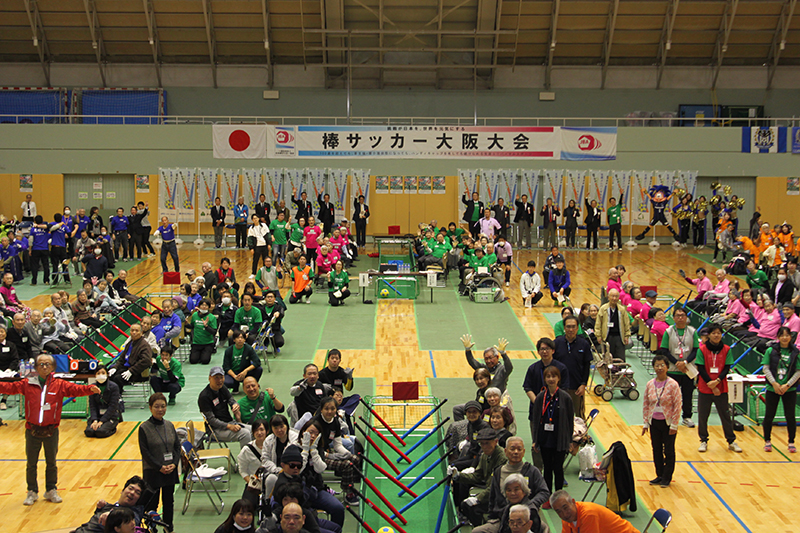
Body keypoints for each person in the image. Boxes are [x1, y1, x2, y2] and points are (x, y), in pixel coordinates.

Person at [0, 353, 100, 505]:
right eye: (41, 364)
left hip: (51, 430)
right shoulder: (27, 383)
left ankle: (51, 489)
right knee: (31, 463)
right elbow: (9, 387)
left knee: (51, 462)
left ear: (53, 367)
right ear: (36, 367)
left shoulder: (59, 384)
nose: (44, 367)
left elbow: (75, 389)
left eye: (47, 364)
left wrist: (90, 389)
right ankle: (32, 491)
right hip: (32, 430)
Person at [474, 437, 549, 533]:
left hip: (525, 517)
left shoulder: (532, 471)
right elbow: (492, 497)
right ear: (505, 451)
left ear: (524, 451)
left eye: (519, 449)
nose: (516, 452)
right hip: (501, 517)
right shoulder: (498, 471)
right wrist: (491, 517)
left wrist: (530, 505)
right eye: (512, 449)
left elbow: (544, 492)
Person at [137, 392, 180, 531]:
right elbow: (145, 453)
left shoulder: (169, 425)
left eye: (163, 406)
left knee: (168, 502)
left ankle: (169, 527)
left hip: (170, 471)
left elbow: (177, 447)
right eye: (156, 406)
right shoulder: (144, 428)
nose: (160, 409)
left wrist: (174, 463)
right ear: (150, 408)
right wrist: (159, 467)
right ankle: (151, 529)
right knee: (152, 504)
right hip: (153, 472)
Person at [696, 324, 742, 453]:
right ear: (709, 335)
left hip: (721, 387)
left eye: (718, 333)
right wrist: (710, 383)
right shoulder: (702, 350)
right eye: (713, 333)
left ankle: (731, 440)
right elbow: (701, 368)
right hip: (705, 387)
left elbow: (726, 368)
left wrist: (716, 382)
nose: (716, 335)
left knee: (725, 416)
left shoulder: (727, 349)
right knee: (703, 416)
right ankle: (703, 440)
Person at [448, 427, 508, 526]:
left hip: (500, 498)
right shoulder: (485, 455)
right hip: (491, 494)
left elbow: (496, 486)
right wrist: (458, 476)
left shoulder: (502, 459)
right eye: (481, 443)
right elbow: (477, 476)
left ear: (495, 441)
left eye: (487, 443)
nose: (484, 446)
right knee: (465, 506)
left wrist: (478, 498)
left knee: (474, 508)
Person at [530, 366, 573, 493]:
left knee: (558, 468)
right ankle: (547, 495)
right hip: (545, 439)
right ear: (545, 379)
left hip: (559, 439)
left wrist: (570, 440)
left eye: (554, 376)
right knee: (547, 468)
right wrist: (535, 440)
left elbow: (570, 420)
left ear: (558, 378)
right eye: (548, 377)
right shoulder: (540, 397)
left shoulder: (565, 398)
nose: (551, 379)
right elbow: (536, 420)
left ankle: (559, 495)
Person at [642, 354, 682, 488]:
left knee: (669, 451)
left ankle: (667, 477)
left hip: (668, 423)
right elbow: (646, 404)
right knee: (656, 449)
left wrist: (674, 425)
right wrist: (646, 422)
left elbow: (677, 405)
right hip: (654, 422)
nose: (659, 368)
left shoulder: (673, 384)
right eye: (657, 365)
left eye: (662, 365)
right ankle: (659, 474)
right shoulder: (650, 384)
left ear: (667, 367)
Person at [311, 397, 361, 504]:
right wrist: (331, 456)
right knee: (347, 464)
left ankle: (349, 484)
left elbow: (338, 445)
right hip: (316, 456)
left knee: (355, 459)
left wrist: (346, 453)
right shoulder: (315, 424)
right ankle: (348, 493)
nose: (329, 412)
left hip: (328, 452)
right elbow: (312, 448)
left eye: (332, 409)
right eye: (326, 409)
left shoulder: (335, 421)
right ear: (321, 410)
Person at [453, 335, 512, 420]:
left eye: (490, 358)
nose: (488, 361)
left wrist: (503, 353)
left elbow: (509, 367)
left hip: (495, 405)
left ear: (497, 357)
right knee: (457, 409)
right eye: (486, 359)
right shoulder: (484, 369)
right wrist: (468, 350)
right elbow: (473, 362)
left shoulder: (502, 370)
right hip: (481, 403)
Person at [658, 306, 698, 428]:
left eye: (683, 316)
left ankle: (687, 417)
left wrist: (685, 362)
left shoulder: (692, 331)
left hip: (688, 369)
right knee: (670, 395)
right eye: (678, 316)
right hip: (672, 369)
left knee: (687, 394)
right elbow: (664, 350)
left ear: (686, 318)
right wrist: (677, 363)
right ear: (674, 318)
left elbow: (696, 350)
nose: (680, 318)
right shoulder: (669, 331)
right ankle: (669, 416)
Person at [762, 327, 800, 453]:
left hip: (789, 389)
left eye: (787, 335)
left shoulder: (796, 352)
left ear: (791, 337)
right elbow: (766, 368)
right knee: (769, 416)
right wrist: (774, 383)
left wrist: (787, 385)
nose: (784, 337)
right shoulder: (770, 350)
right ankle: (767, 441)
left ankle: (791, 442)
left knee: (790, 416)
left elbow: (798, 372)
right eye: (782, 335)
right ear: (778, 337)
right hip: (773, 388)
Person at [198, 366, 252, 447]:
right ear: (209, 378)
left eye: (221, 377)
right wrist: (229, 426)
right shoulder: (204, 397)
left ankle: (254, 456)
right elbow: (211, 420)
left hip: (229, 422)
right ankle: (245, 458)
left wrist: (234, 405)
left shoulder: (222, 388)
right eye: (216, 378)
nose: (219, 380)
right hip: (216, 430)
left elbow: (231, 399)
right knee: (245, 434)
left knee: (254, 430)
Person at [72, 476, 146, 533]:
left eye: (137, 492)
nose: (132, 493)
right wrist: (99, 509)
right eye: (130, 488)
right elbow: (97, 522)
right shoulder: (109, 506)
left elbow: (129, 523)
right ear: (122, 491)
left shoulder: (134, 513)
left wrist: (112, 515)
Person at [552, 316, 591, 420]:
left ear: (577, 328)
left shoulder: (584, 344)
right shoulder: (556, 344)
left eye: (573, 327)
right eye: (568, 327)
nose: (571, 329)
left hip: (577, 388)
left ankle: (581, 436)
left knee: (579, 416)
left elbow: (587, 366)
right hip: (559, 388)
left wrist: (583, 384)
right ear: (564, 328)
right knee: (558, 415)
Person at [550, 490, 639, 533]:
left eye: (565, 508)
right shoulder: (567, 519)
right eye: (559, 511)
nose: (564, 514)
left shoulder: (589, 515)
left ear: (573, 502)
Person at [109, 323, 153, 392]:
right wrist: (115, 367)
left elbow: (146, 361)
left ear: (141, 332)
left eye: (136, 331)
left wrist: (131, 371)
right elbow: (121, 359)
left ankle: (118, 396)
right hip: (125, 369)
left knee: (117, 378)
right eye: (132, 330)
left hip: (137, 373)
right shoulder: (130, 343)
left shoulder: (144, 345)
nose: (134, 333)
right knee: (109, 375)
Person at [237, 418, 268, 508]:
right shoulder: (246, 450)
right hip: (255, 483)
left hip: (270, 481)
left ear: (267, 431)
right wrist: (253, 484)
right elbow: (242, 471)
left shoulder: (273, 445)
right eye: (256, 430)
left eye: (262, 429)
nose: (259, 433)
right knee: (247, 506)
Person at [85, 365, 121, 439]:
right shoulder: (93, 387)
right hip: (98, 415)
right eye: (98, 373)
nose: (100, 375)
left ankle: (113, 428)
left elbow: (113, 406)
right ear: (95, 375)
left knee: (100, 432)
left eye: (103, 373)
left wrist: (101, 421)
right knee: (89, 432)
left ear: (107, 374)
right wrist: (95, 420)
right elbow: (92, 405)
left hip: (111, 415)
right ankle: (97, 424)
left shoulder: (114, 387)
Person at [596, 288, 632, 362]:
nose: (614, 298)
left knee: (620, 357)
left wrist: (627, 335)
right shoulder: (603, 309)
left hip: (619, 337)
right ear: (608, 297)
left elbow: (626, 323)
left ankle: (621, 372)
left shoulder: (622, 309)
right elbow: (598, 324)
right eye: (612, 296)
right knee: (608, 358)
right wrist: (598, 336)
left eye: (616, 296)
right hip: (607, 336)